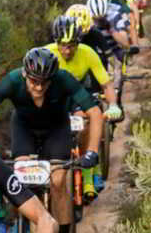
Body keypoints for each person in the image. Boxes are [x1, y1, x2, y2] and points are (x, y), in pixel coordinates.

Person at [0, 47, 103, 233]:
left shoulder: (63, 79)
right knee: (19, 181)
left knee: (58, 181)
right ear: (24, 75)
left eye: (44, 82)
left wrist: (92, 151)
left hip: (56, 129)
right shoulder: (13, 80)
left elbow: (95, 112)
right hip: (24, 129)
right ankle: (18, 227)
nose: (39, 87)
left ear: (52, 78)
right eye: (34, 81)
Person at [47, 14, 123, 196]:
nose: (67, 51)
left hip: (77, 95)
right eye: (62, 45)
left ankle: (89, 175)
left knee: (84, 125)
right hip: (53, 98)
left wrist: (113, 104)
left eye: (72, 45)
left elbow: (106, 84)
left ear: (78, 42)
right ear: (56, 42)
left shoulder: (88, 53)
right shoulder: (47, 53)